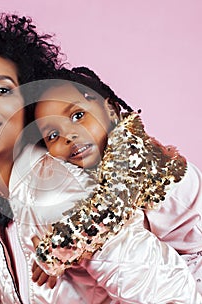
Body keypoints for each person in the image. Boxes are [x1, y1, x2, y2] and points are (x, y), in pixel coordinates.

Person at [0, 10, 201, 303]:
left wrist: (61, 247)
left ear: (30, 108)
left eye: (1, 89)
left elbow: (173, 294)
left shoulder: (55, 188)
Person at [31, 67, 202, 294]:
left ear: (110, 109)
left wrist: (52, 254)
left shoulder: (133, 150)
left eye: (78, 115)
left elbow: (106, 214)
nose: (68, 135)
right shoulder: (99, 165)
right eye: (52, 135)